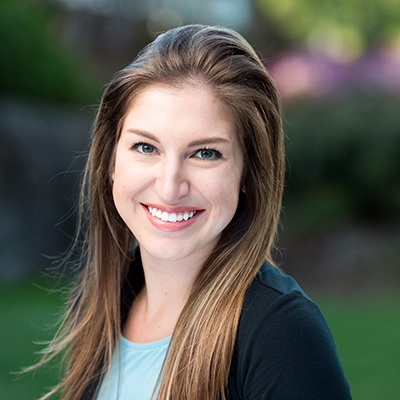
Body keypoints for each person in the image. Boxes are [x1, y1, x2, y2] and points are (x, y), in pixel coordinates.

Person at [38, 24, 352, 399]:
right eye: (145, 147)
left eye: (206, 153)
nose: (170, 187)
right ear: (110, 159)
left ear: (249, 174)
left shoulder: (280, 333)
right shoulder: (101, 302)